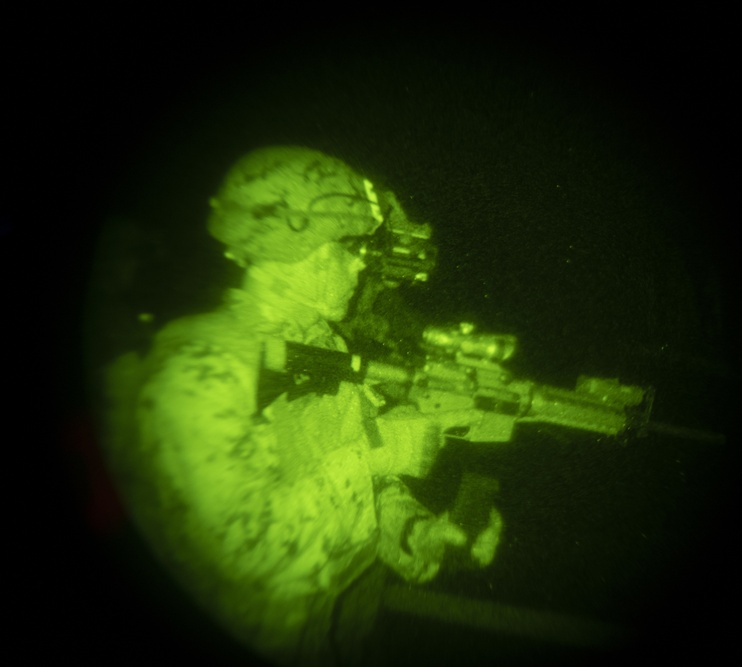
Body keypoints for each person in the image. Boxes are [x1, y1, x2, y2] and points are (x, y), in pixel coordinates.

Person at [101, 146, 502, 666]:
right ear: (292, 241)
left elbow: (364, 488)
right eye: (345, 245)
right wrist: (379, 450)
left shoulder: (321, 348)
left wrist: (416, 532)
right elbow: (250, 554)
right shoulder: (200, 367)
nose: (360, 262)